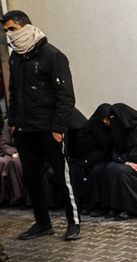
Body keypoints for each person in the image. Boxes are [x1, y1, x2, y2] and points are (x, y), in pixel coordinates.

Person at [2, 10, 81, 240]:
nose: (9, 35)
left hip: (49, 130)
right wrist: (14, 124)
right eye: (6, 31)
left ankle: (73, 222)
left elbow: (66, 97)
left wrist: (58, 129)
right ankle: (42, 223)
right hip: (25, 131)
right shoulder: (16, 57)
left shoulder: (52, 55)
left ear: (25, 27)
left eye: (12, 29)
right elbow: (14, 93)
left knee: (62, 177)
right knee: (31, 178)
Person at [71, 104, 113, 216]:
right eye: (103, 119)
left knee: (97, 172)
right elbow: (81, 146)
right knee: (76, 171)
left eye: (108, 119)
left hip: (105, 160)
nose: (105, 122)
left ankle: (97, 205)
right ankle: (83, 204)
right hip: (87, 159)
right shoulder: (90, 127)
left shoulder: (114, 129)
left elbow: (112, 148)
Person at [0, 119, 25, 205]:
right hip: (10, 152)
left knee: (16, 162)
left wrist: (20, 153)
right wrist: (13, 152)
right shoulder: (9, 122)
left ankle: (20, 197)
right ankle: (2, 198)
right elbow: (4, 144)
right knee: (1, 162)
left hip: (26, 152)